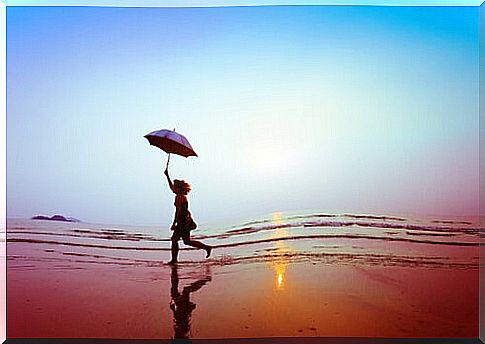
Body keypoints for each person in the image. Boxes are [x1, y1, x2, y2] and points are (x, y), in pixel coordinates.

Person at [164, 167, 212, 265]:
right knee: (186, 241)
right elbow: (171, 187)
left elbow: (178, 211)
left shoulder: (179, 198)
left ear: (178, 188)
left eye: (175, 187)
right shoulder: (181, 195)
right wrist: (167, 175)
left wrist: (174, 223)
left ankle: (174, 260)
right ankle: (206, 247)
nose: (173, 188)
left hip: (183, 221)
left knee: (176, 240)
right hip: (186, 220)